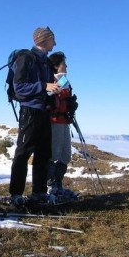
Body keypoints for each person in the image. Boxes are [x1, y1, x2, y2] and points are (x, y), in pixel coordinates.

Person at [8, 27, 62, 206]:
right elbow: (20, 88)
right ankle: (16, 194)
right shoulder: (26, 58)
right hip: (30, 111)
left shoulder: (45, 62)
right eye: (52, 39)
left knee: (43, 153)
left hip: (43, 111)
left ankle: (38, 193)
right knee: (23, 152)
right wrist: (44, 86)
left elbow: (45, 87)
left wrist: (52, 93)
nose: (55, 43)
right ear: (44, 40)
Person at [47, 51, 79, 199]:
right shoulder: (52, 80)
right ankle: (51, 186)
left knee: (65, 155)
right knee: (54, 154)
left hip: (64, 121)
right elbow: (51, 97)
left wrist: (70, 105)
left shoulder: (64, 80)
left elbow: (65, 98)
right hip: (55, 122)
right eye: (63, 64)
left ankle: (57, 184)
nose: (66, 66)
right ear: (56, 66)